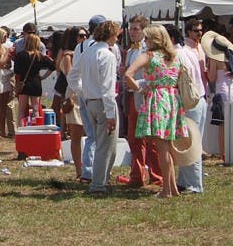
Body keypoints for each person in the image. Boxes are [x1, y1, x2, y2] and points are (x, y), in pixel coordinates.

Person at [125, 24, 185, 198]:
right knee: (168, 146)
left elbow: (129, 74)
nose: (145, 41)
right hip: (172, 98)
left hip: (157, 99)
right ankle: (172, 188)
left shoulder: (149, 56)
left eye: (148, 38)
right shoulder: (175, 57)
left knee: (162, 148)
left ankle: (166, 190)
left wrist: (139, 88)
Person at [67, 19, 121, 195]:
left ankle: (100, 180)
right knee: (106, 147)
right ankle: (98, 184)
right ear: (111, 35)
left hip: (90, 101)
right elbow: (108, 87)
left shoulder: (88, 52)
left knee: (100, 143)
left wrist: (82, 91)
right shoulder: (107, 55)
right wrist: (111, 113)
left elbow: (73, 75)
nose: (117, 39)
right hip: (103, 103)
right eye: (116, 35)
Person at [121, 15, 161, 188]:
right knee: (134, 138)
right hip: (132, 95)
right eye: (130, 28)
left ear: (144, 30)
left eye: (135, 29)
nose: (131, 32)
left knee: (150, 138)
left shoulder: (149, 50)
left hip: (146, 95)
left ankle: (157, 175)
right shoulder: (130, 51)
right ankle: (137, 175)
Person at [176, 18, 207, 193]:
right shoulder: (191, 51)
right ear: (188, 32)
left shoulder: (187, 51)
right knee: (190, 141)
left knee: (191, 142)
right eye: (196, 31)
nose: (199, 33)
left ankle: (194, 184)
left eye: (200, 30)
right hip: (198, 99)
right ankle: (186, 180)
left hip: (192, 101)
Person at [203, 30, 233, 161]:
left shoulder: (215, 59)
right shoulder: (231, 56)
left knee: (222, 125)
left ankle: (224, 155)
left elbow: (212, 77)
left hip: (223, 90)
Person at [57, 28, 87, 179]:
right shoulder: (68, 57)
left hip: (85, 94)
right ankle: (79, 170)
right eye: (81, 35)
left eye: (85, 35)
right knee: (76, 134)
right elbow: (71, 77)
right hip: (75, 96)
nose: (84, 37)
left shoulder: (82, 53)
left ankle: (87, 167)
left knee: (88, 135)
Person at [13, 32, 55, 125]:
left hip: (24, 83)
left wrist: (17, 86)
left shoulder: (20, 55)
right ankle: (36, 130)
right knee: (36, 109)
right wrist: (43, 77)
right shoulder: (40, 56)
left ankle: (21, 131)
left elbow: (17, 73)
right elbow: (53, 66)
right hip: (36, 83)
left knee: (21, 111)